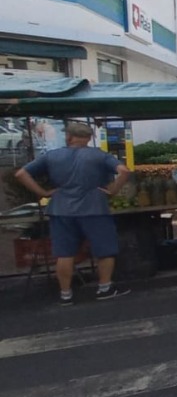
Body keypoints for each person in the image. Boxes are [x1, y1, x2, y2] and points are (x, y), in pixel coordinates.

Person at [14, 121, 131, 305]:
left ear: (69, 137)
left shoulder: (52, 156)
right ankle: (105, 288)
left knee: (64, 253)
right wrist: (114, 190)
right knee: (104, 250)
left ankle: (65, 294)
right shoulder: (99, 155)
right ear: (89, 138)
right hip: (94, 208)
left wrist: (43, 193)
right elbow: (124, 170)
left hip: (61, 208)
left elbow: (21, 174)